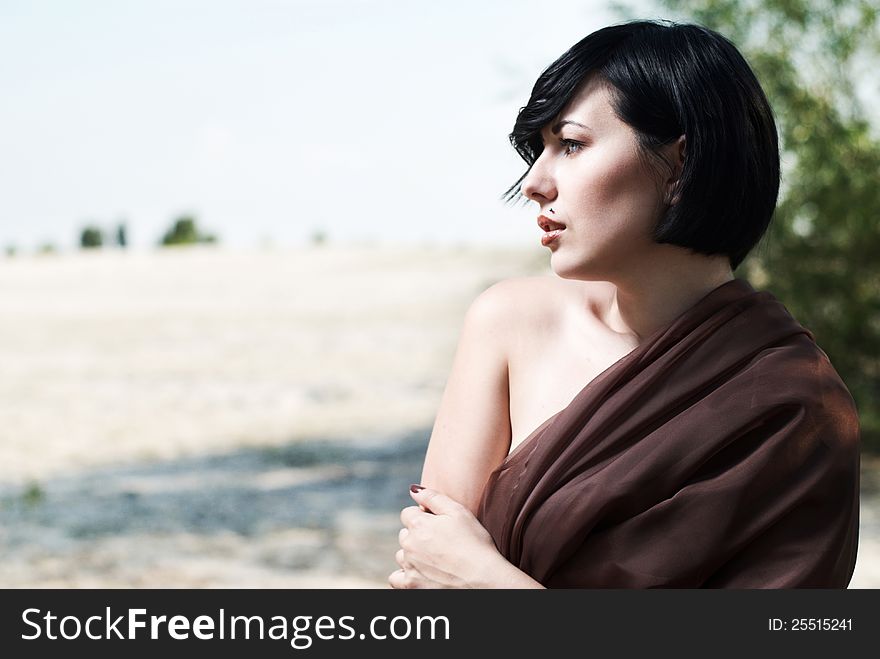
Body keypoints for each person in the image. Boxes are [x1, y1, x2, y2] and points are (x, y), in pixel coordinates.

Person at [389, 19, 860, 589]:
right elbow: (427, 582)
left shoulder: (795, 407)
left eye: (572, 144)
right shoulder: (510, 324)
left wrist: (492, 586)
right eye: (539, 151)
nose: (535, 182)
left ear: (679, 166)